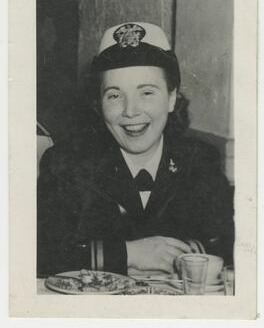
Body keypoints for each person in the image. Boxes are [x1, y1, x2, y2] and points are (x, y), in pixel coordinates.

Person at [37, 22, 234, 278]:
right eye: (115, 96)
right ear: (99, 103)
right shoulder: (66, 163)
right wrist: (131, 254)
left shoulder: (200, 160)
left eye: (147, 93)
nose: (131, 111)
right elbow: (40, 253)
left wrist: (179, 258)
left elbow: (231, 244)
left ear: (172, 98)